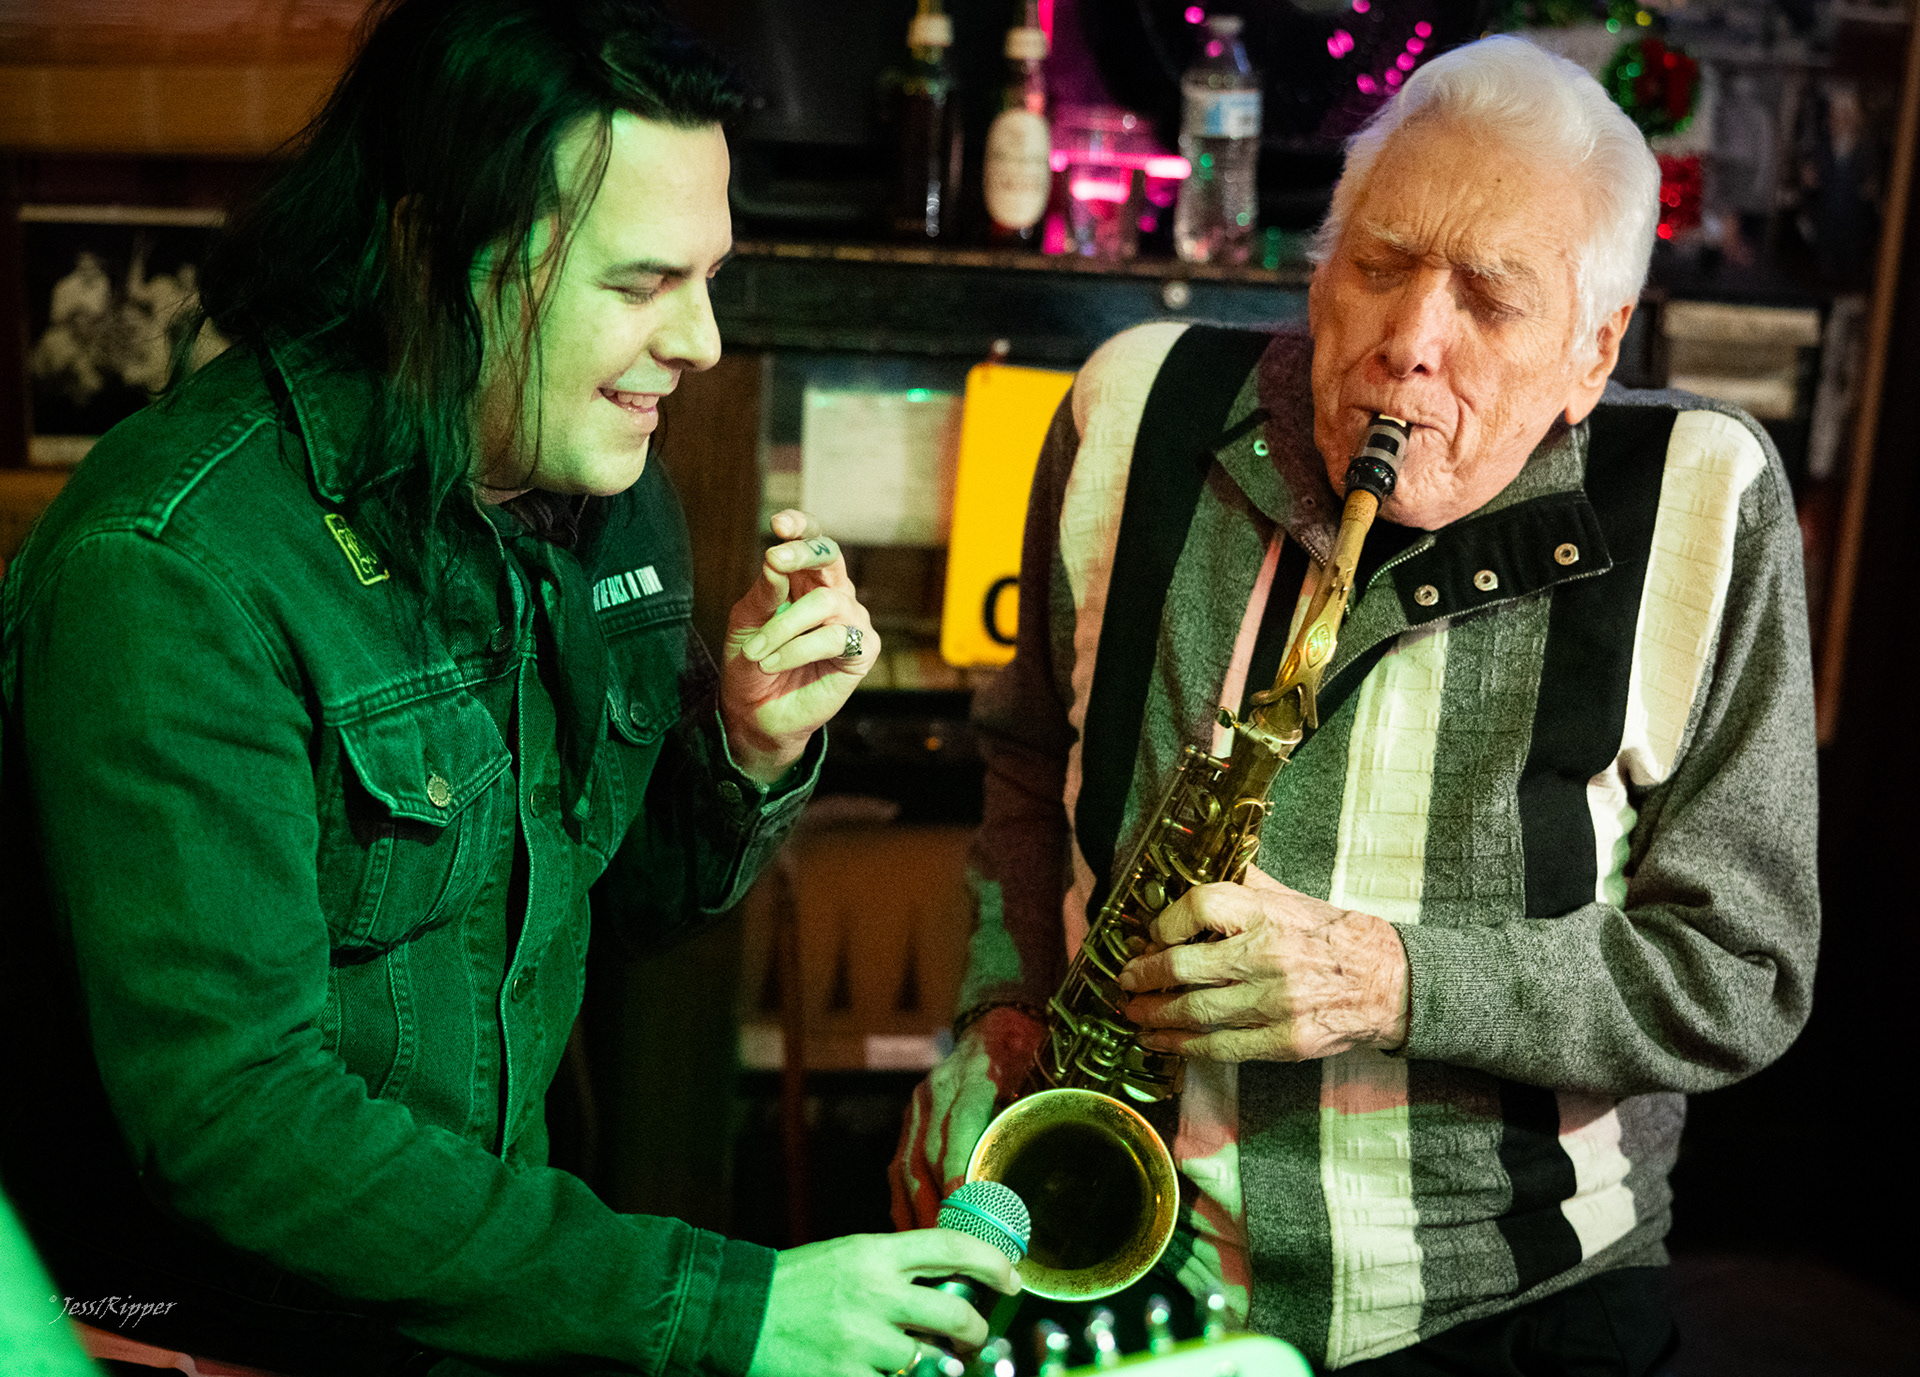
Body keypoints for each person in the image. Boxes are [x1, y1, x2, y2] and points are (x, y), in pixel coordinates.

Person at [0, 3, 1014, 1375]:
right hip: (205, 1343)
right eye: (642, 283)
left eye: (710, 276)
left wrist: (744, 750)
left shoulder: (600, 491)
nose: (703, 340)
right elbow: (236, 1125)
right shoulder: (172, 571)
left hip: (489, 1317)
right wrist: (726, 1306)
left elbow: (586, 905)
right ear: (435, 256)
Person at [893, 35, 1817, 1374]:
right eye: (1379, 266)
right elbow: (1029, 767)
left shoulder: (1706, 500)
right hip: (1125, 1261)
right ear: (1319, 273)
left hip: (1516, 1304)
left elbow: (1742, 975)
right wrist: (999, 1003)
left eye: (1490, 300)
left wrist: (1393, 979)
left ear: (1596, 348)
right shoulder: (1127, 408)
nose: (1408, 346)